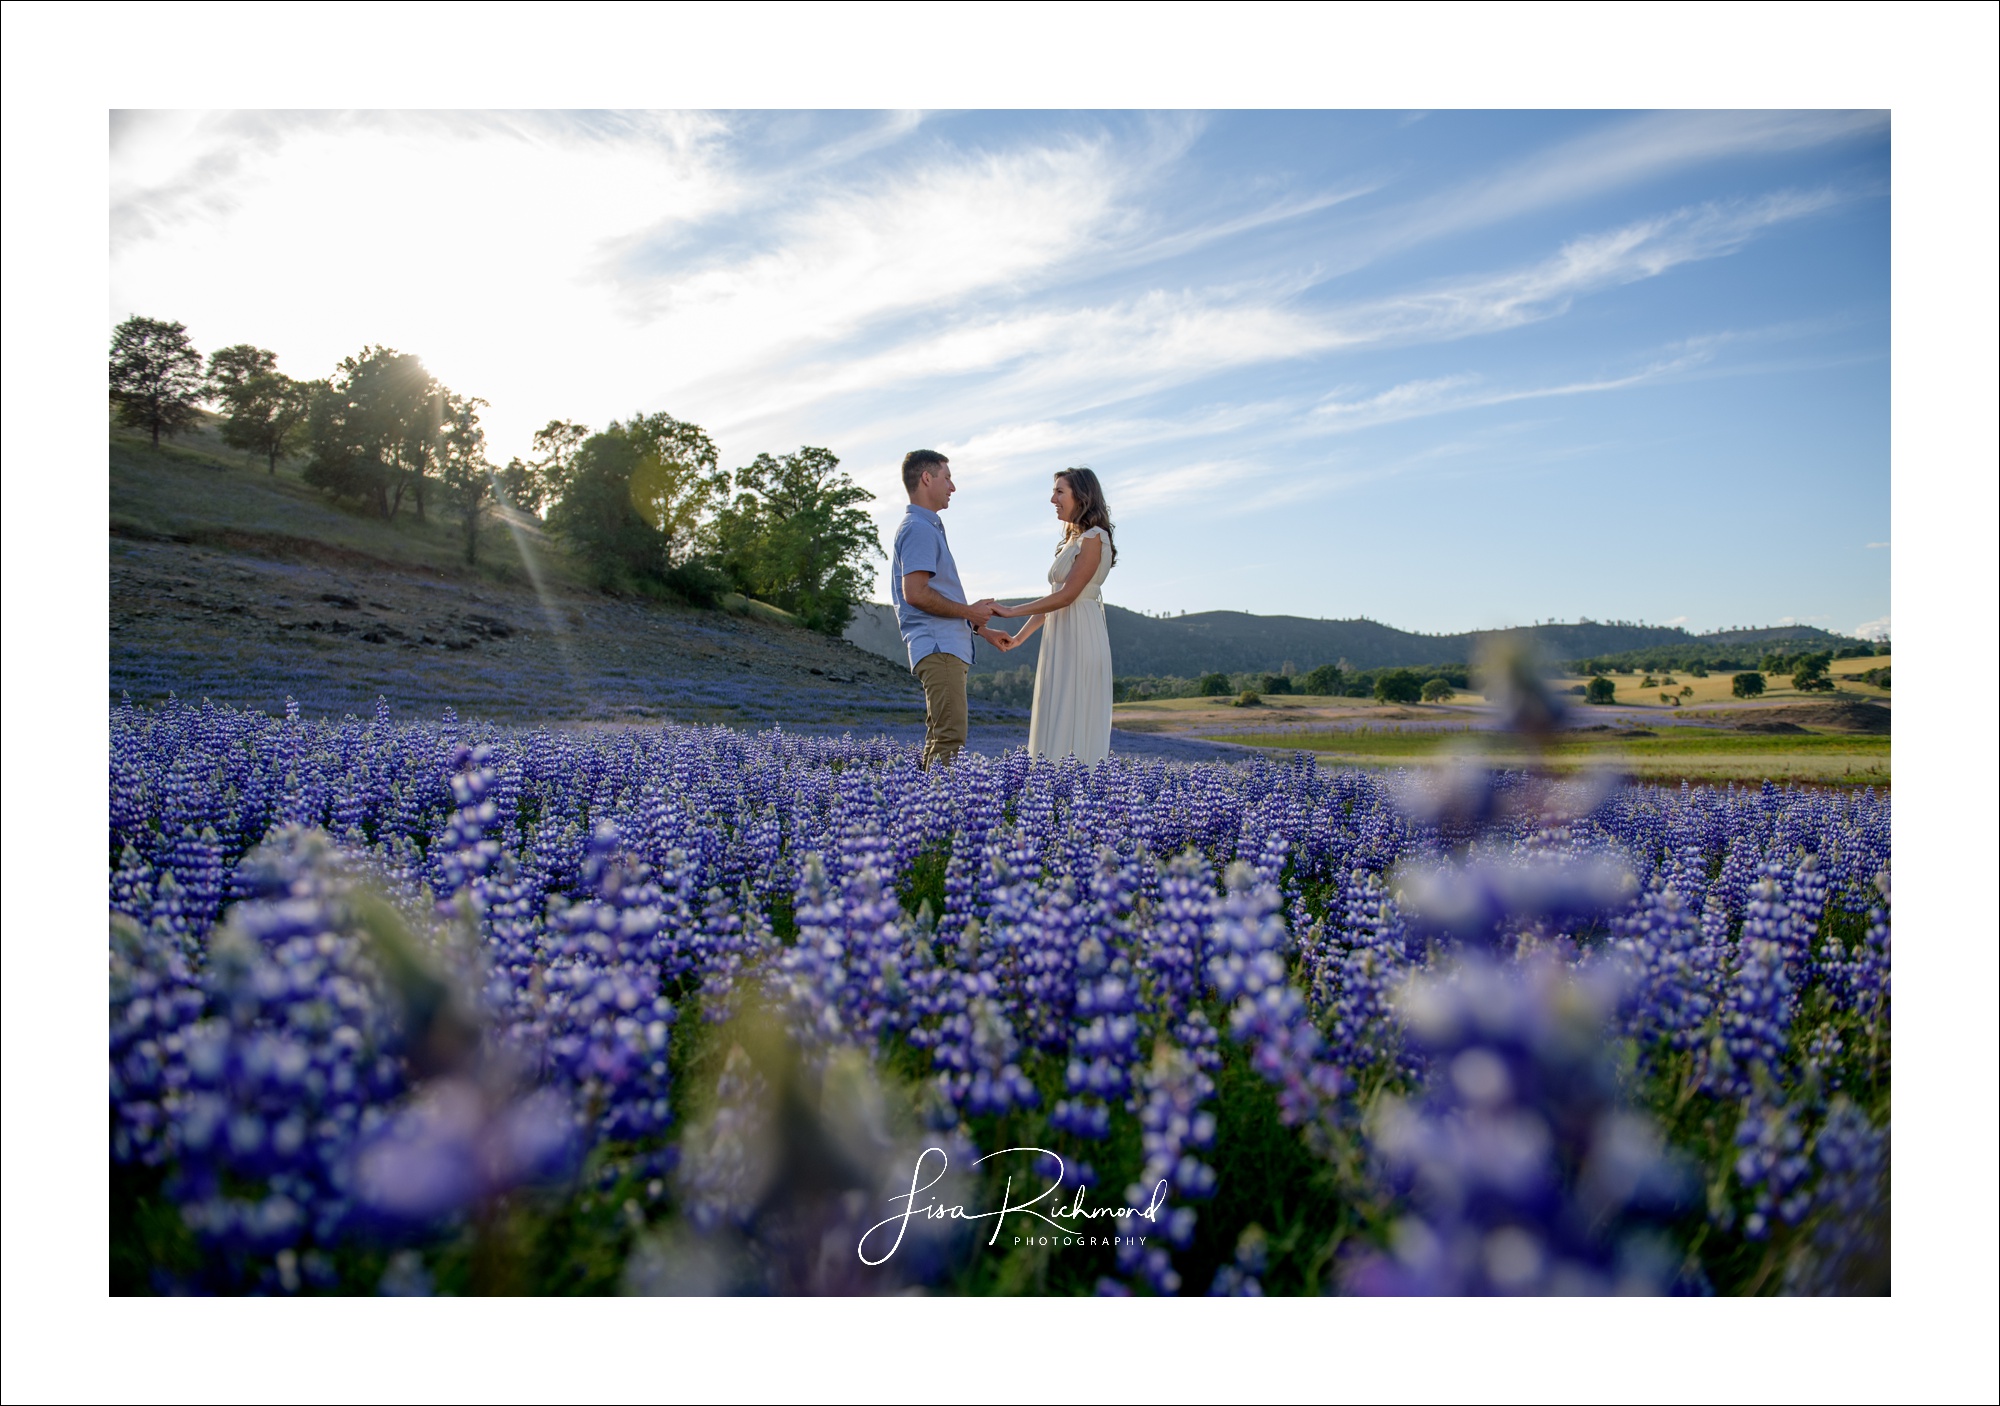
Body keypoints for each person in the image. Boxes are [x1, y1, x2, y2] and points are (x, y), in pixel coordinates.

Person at [989, 467, 1117, 764]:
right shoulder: (1074, 541)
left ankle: (1072, 787)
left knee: (1073, 707)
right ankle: (1053, 788)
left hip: (1080, 633)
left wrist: (1010, 611)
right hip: (1061, 633)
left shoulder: (1095, 538)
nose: (1053, 499)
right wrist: (1020, 638)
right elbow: (1054, 599)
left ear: (1081, 496)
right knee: (1056, 705)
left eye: (1060, 491)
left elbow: (1067, 596)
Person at [890, 449, 1006, 768]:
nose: (952, 487)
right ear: (927, 478)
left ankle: (927, 809)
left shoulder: (927, 527)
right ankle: (940, 813)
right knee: (950, 738)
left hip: (945, 644)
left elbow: (936, 595)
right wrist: (970, 612)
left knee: (941, 736)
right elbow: (915, 594)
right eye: (948, 477)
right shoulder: (918, 528)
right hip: (939, 646)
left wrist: (981, 630)